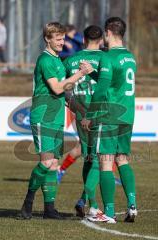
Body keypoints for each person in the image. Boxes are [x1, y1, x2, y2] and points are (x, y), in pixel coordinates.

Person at [20, 22, 93, 220]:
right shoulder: (45, 60)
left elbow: (65, 94)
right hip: (43, 118)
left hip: (56, 117)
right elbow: (58, 88)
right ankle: (27, 203)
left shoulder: (58, 60)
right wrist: (80, 73)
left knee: (53, 164)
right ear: (48, 39)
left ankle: (49, 209)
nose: (62, 42)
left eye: (63, 38)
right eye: (58, 39)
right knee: (46, 162)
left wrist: (80, 110)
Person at [82, 17, 137, 223]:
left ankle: (110, 213)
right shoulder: (130, 57)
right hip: (127, 115)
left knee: (105, 162)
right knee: (122, 159)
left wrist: (89, 114)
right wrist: (93, 73)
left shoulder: (108, 57)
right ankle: (132, 206)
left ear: (107, 33)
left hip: (109, 115)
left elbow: (103, 89)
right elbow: (114, 82)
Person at [63, 25, 107, 218]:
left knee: (89, 157)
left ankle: (83, 200)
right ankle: (94, 206)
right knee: (99, 159)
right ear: (102, 40)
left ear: (83, 39)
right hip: (101, 113)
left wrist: (76, 108)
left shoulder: (70, 60)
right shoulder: (106, 59)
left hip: (80, 113)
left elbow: (63, 90)